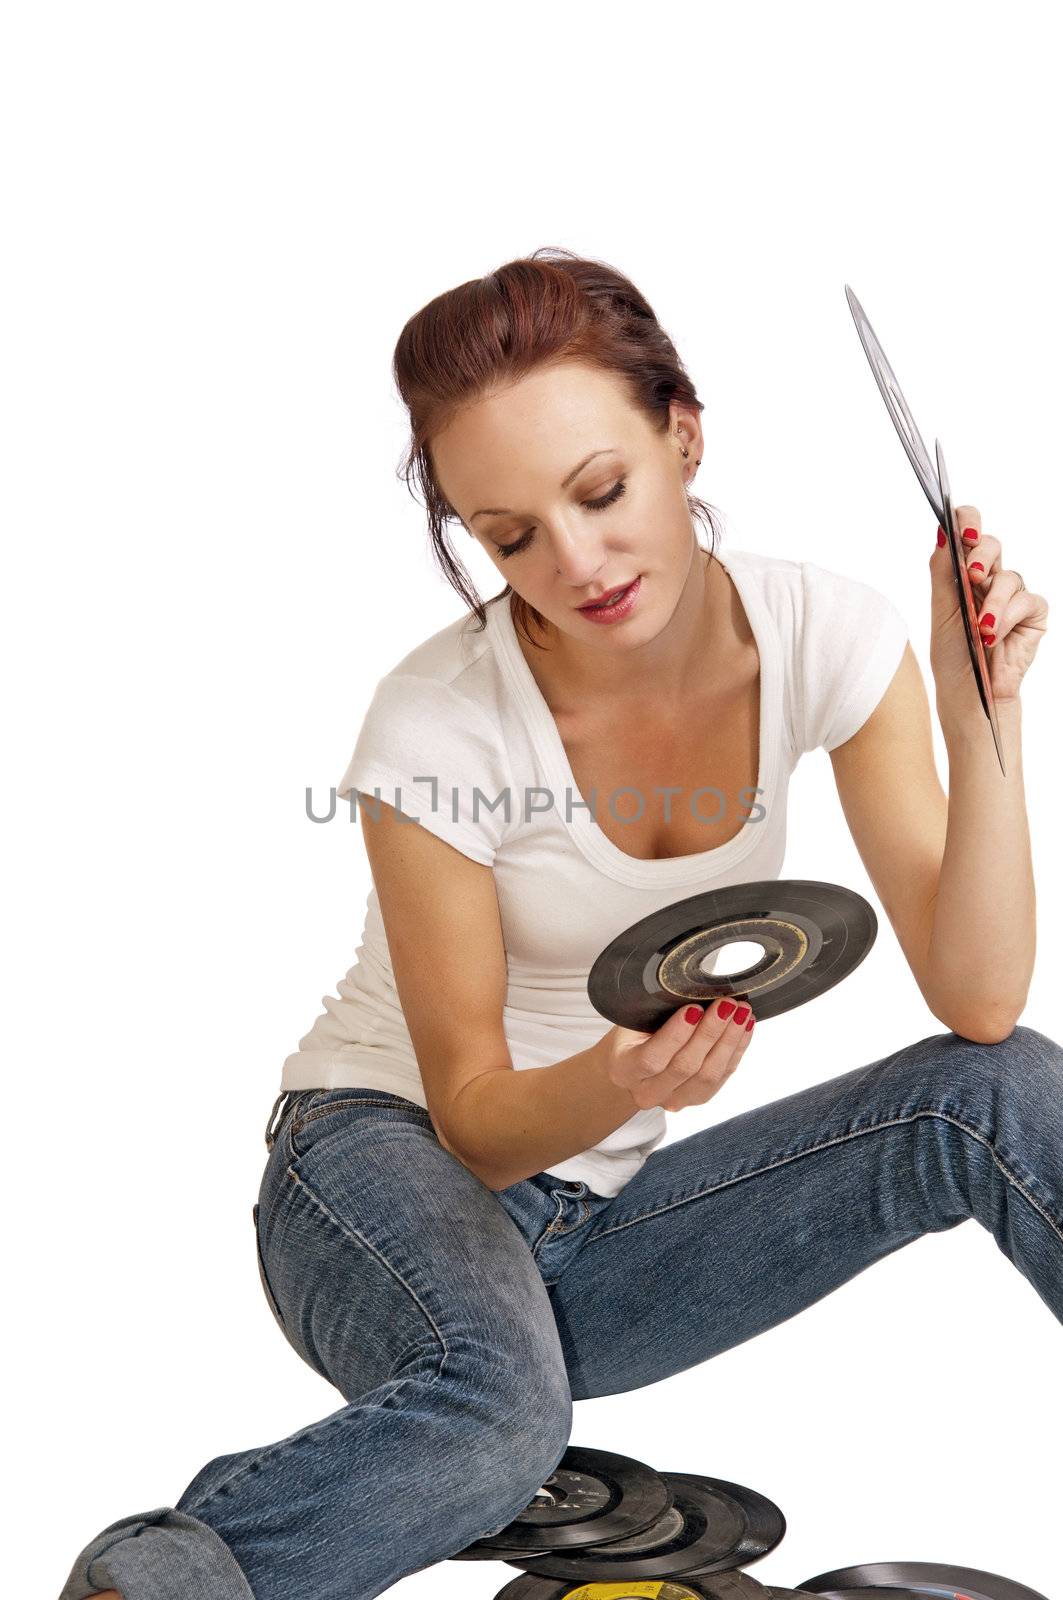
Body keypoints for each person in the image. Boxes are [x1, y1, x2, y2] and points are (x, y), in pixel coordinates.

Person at [60, 248, 1061, 1600]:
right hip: (376, 1169)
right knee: (497, 1414)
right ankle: (161, 1579)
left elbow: (981, 999)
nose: (575, 561)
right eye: (511, 535)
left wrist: (974, 707)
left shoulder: (830, 631)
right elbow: (471, 1113)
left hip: (590, 1238)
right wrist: (617, 1078)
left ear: (684, 435)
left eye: (602, 493)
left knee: (994, 1093)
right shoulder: (435, 723)